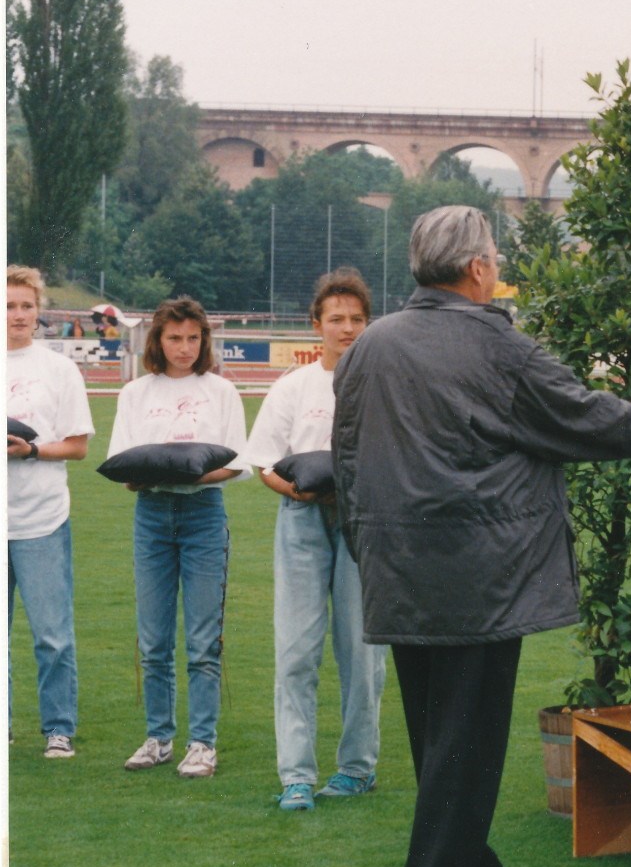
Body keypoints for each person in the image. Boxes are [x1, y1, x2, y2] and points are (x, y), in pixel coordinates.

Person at [333, 205, 631, 867]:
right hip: (480, 577)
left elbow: (346, 459)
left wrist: (368, 546)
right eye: (495, 257)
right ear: (479, 267)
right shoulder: (499, 345)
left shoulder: (369, 345)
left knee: (438, 737)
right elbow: (581, 418)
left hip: (400, 567)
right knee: (468, 743)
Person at [241, 268, 387, 811]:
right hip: (301, 522)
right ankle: (296, 775)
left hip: (363, 523)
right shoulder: (293, 387)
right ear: (316, 325)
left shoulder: (381, 384)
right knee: (296, 651)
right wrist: (298, 491)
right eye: (335, 319)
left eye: (355, 319)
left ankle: (356, 768)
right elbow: (264, 463)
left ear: (367, 324)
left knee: (362, 650)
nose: (346, 328)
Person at [109, 297, 248, 778]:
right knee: (152, 639)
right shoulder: (135, 393)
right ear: (158, 341)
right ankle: (158, 737)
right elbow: (123, 465)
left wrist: (195, 477)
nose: (184, 348)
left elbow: (236, 462)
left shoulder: (222, 392)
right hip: (151, 516)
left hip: (203, 516)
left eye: (193, 338)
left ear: (204, 340)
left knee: (204, 639)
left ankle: (202, 743)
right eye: (174, 338)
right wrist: (150, 474)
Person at [7, 265, 95, 757]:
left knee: (52, 636)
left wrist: (32, 451)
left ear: (39, 311)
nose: (17, 315)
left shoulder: (58, 369)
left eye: (25, 305)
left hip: (41, 518)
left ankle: (58, 728)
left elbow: (79, 446)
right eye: (8, 305)